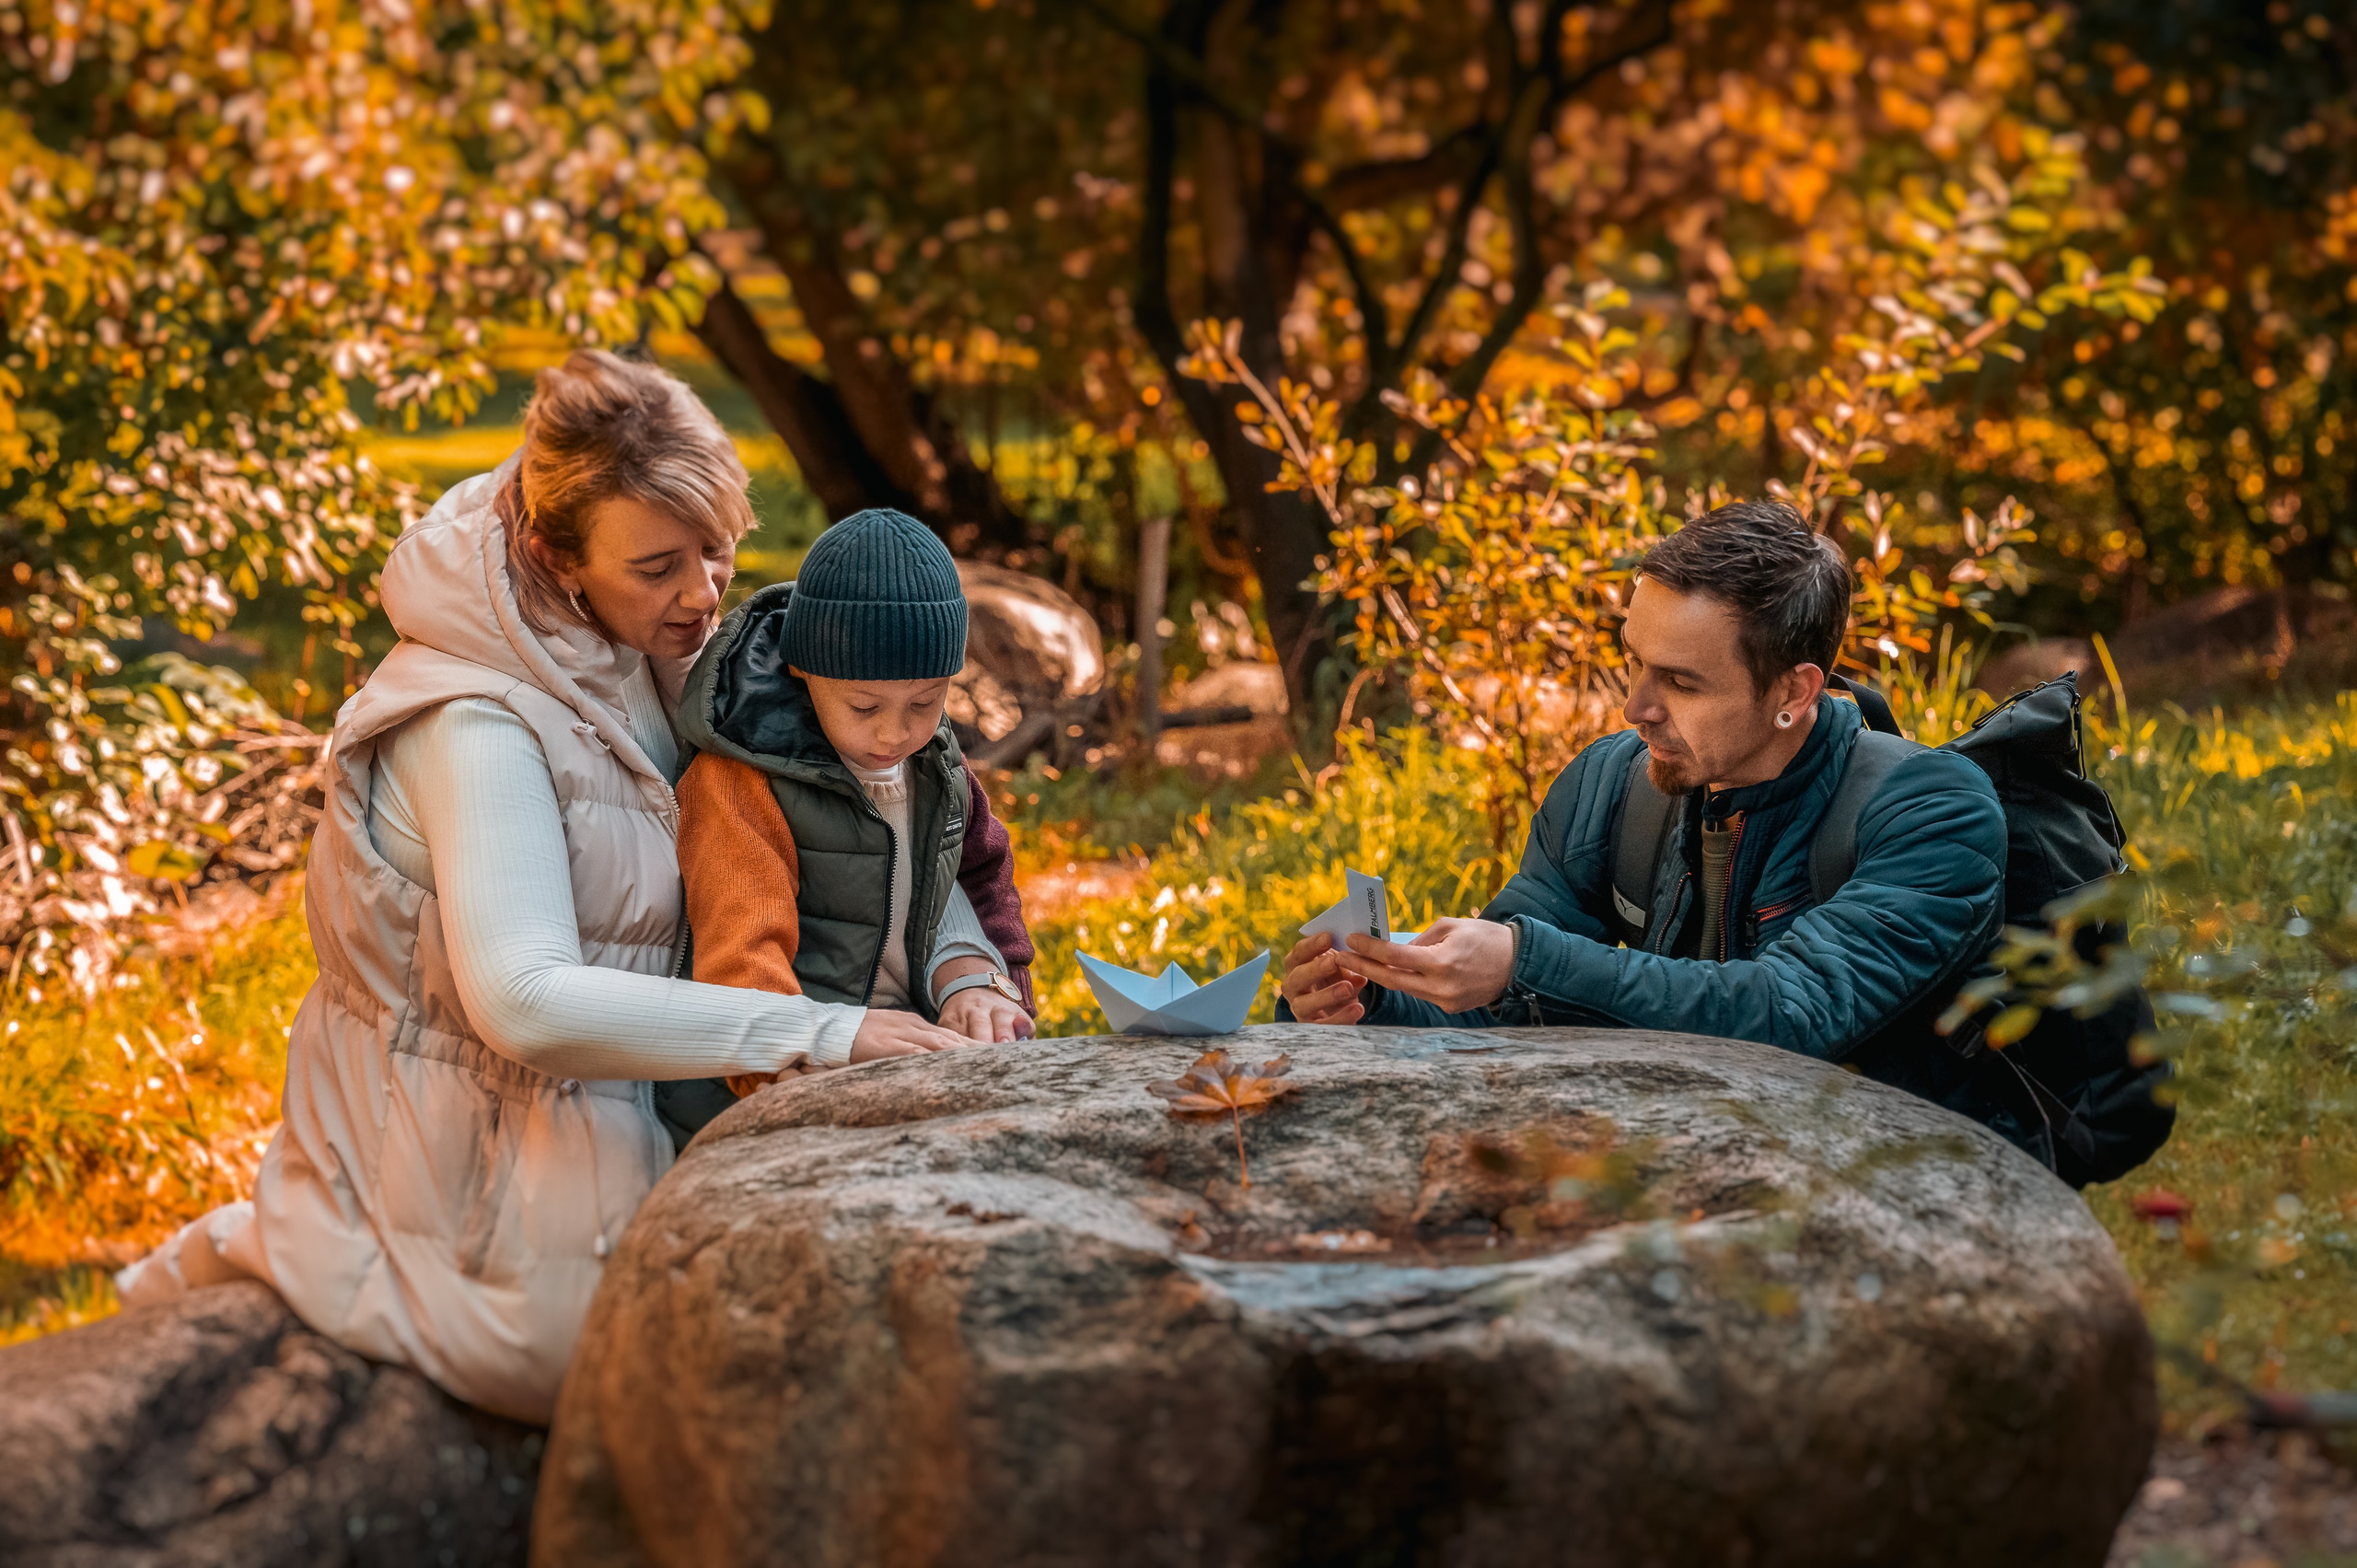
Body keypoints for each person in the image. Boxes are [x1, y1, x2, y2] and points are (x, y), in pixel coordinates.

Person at [115, 351, 972, 1424]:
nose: (704, 593)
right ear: (551, 553)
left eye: (718, 549)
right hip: (476, 1185)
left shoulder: (654, 654)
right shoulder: (474, 723)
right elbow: (524, 999)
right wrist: (822, 1033)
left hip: (647, 1116)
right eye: (658, 564)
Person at [1280, 500, 2012, 1115]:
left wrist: (1527, 957)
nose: (1636, 707)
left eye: (1681, 682)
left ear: (1794, 693)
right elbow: (1502, 1017)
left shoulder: (1934, 812)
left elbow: (1792, 1013)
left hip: (1897, 1194)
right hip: (1692, 1178)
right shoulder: (1610, 784)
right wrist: (1368, 1001)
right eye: (1634, 660)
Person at [665, 508, 1037, 1120]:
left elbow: (973, 881)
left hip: (909, 1055)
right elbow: (742, 967)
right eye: (864, 706)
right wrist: (806, 1059)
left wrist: (981, 986)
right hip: (779, 1085)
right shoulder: (743, 778)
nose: (896, 732)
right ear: (802, 668)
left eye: (926, 700)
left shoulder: (932, 764)